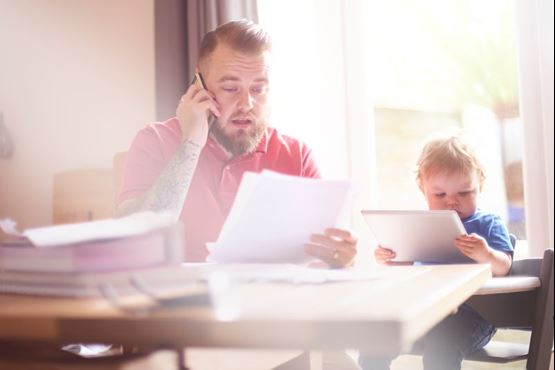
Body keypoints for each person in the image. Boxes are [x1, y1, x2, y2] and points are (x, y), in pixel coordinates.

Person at [117, 19, 357, 267]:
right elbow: (136, 243)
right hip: (186, 299)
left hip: (270, 299)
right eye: (231, 88)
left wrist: (339, 259)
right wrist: (191, 143)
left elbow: (316, 261)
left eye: (258, 89)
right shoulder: (154, 141)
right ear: (199, 85)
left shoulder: (297, 155)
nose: (247, 104)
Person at [359, 134, 514, 370]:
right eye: (439, 195)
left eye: (464, 193)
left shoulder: (487, 223)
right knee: (375, 340)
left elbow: (504, 267)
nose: (452, 202)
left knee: (441, 349)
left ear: (479, 186)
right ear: (423, 190)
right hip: (425, 312)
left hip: (472, 317)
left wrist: (486, 254)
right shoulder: (420, 225)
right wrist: (392, 259)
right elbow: (409, 266)